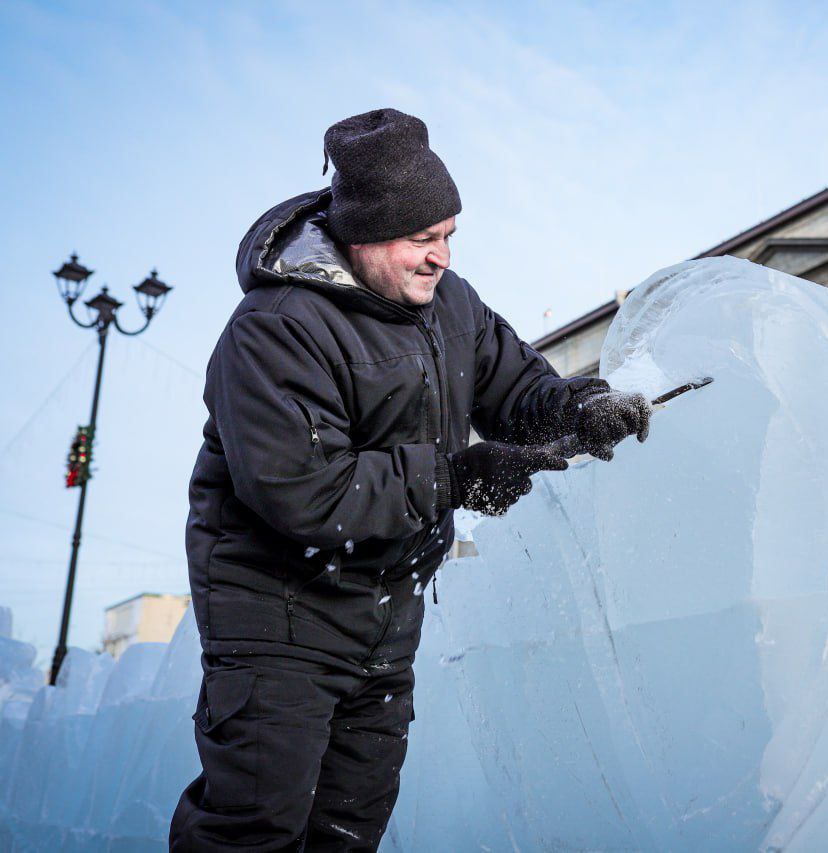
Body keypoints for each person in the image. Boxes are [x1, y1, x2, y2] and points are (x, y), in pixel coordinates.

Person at [170, 108, 650, 850]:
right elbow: (304, 488)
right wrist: (457, 476)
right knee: (255, 827)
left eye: (450, 235)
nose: (442, 258)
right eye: (422, 240)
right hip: (279, 614)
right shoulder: (275, 327)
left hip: (386, 618)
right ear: (362, 236)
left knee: (348, 828)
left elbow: (519, 389)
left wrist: (584, 407)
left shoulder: (451, 306)